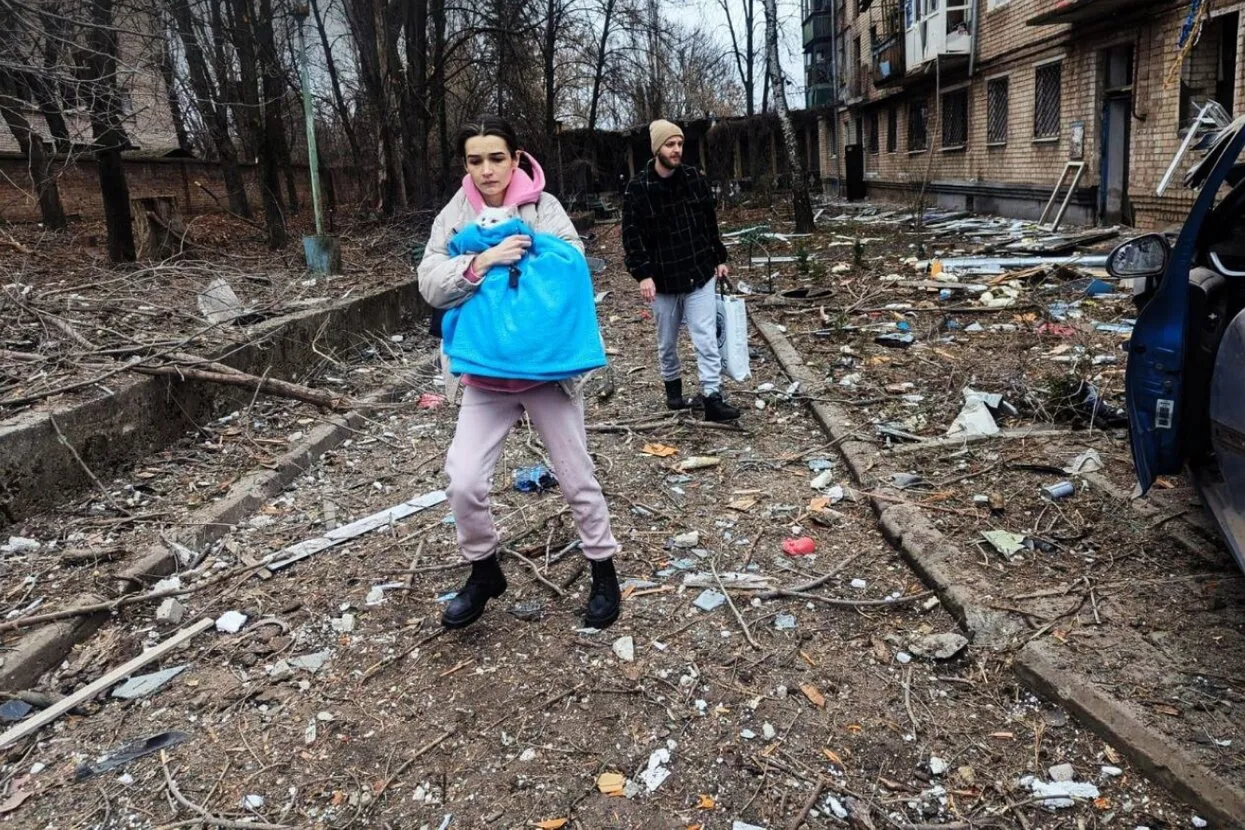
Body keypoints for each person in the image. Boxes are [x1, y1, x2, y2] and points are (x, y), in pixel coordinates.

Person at [417, 116, 621, 631]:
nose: (486, 170)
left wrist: (522, 246)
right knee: (463, 480)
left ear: (515, 158)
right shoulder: (454, 215)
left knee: (576, 475)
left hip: (546, 370)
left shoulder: (543, 207)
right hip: (485, 373)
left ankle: (603, 569)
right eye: (475, 160)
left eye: (496, 158)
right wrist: (481, 260)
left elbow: (573, 266)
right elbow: (430, 284)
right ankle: (484, 570)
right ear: (465, 165)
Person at [622, 119, 741, 422]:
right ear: (657, 149)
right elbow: (632, 236)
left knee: (706, 337)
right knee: (667, 342)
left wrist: (718, 257)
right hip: (662, 279)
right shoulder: (639, 188)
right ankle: (673, 392)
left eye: (679, 144)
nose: (676, 150)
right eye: (670, 144)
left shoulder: (694, 179)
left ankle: (713, 397)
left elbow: (709, 222)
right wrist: (643, 274)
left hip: (698, 271)